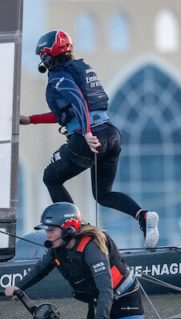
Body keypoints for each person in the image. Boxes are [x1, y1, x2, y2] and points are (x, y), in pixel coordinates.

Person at [20, 30, 160, 249]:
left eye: (42, 56)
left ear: (49, 55)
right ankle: (143, 216)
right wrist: (30, 119)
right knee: (103, 194)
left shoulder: (59, 76)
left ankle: (72, 230)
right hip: (111, 135)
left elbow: (77, 101)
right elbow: (67, 112)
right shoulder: (81, 69)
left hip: (88, 138)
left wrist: (86, 133)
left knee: (51, 178)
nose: (42, 61)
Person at [4, 202, 144, 319]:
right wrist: (18, 287)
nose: (48, 235)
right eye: (46, 230)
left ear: (68, 230)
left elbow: (106, 289)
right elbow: (40, 269)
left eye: (52, 230)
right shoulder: (57, 248)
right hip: (98, 301)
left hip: (124, 300)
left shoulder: (91, 247)